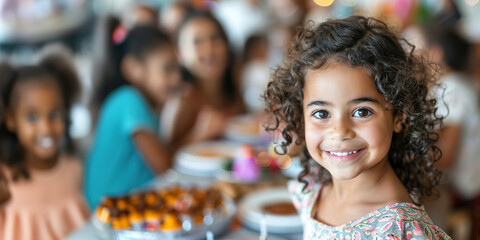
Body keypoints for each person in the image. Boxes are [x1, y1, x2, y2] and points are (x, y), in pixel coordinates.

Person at [263, 16, 451, 239]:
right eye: (321, 114)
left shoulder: (402, 231)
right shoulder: (315, 188)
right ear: (300, 117)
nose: (340, 131)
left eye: (362, 112)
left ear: (400, 114)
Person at [84, 24, 180, 209]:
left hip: (132, 204)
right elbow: (164, 167)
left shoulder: (149, 106)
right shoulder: (129, 100)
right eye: (168, 69)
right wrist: (199, 134)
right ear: (132, 68)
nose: (176, 78)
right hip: (111, 212)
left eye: (177, 69)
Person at [0, 52, 89, 240]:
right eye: (32, 117)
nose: (46, 129)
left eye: (55, 114)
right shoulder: (4, 179)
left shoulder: (75, 169)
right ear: (10, 119)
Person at [164, 10, 244, 145]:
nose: (209, 49)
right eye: (197, 42)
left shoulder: (234, 87)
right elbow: (165, 160)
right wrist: (198, 135)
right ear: (179, 53)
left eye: (215, 38)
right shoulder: (182, 102)